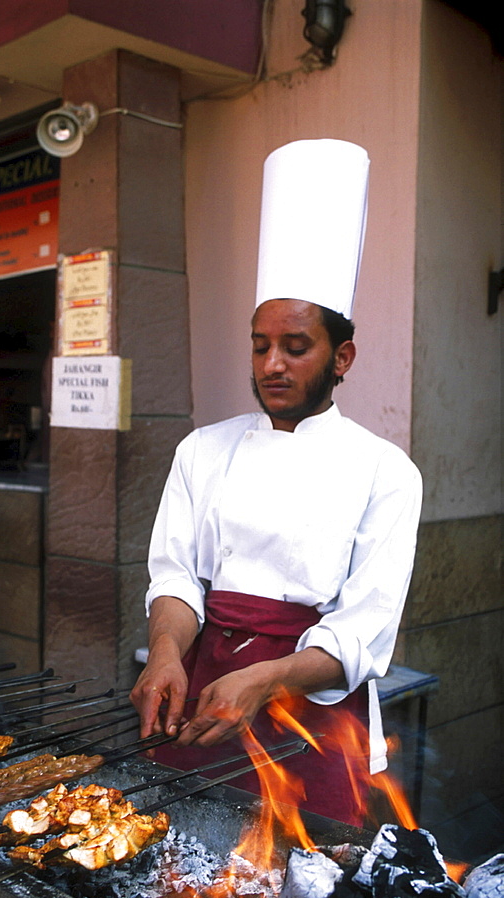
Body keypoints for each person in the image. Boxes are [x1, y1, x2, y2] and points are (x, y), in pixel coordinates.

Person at [130, 140, 423, 826]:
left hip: (311, 716)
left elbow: (362, 634)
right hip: (202, 698)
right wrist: (166, 650)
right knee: (180, 861)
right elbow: (176, 577)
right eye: (260, 344)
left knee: (302, 894)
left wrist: (265, 678)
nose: (271, 364)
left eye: (295, 346)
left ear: (341, 356)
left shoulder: (386, 472)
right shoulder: (202, 450)